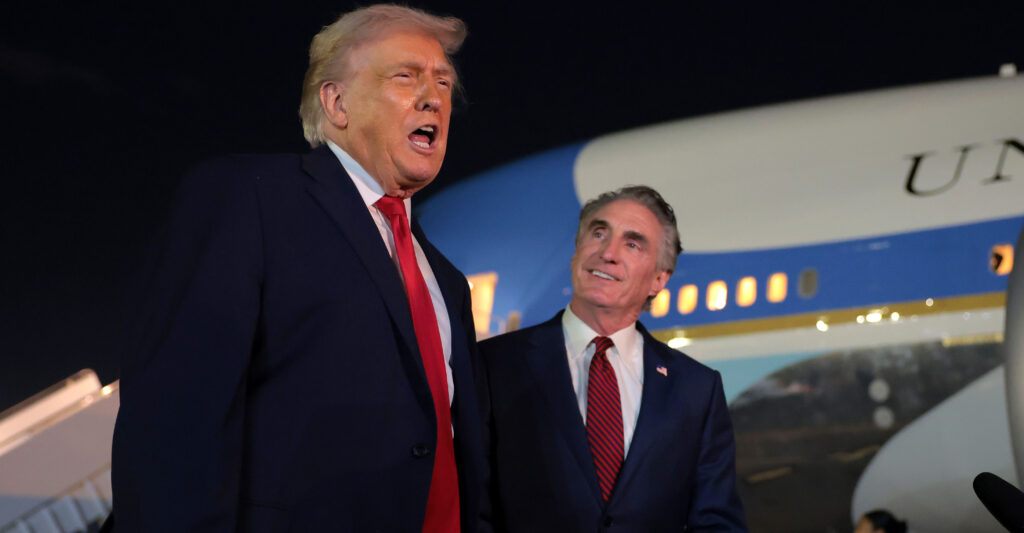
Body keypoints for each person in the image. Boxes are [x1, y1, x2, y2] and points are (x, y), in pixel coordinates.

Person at [111, 5, 483, 532]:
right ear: (336, 103)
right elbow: (176, 427)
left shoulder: (445, 280)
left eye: (443, 82)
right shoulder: (248, 200)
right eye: (406, 76)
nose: (433, 96)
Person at [478, 186, 747, 531]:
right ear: (577, 251)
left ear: (658, 279)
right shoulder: (495, 364)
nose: (608, 253)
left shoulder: (697, 389)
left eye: (632, 244)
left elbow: (716, 521)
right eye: (599, 233)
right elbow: (473, 504)